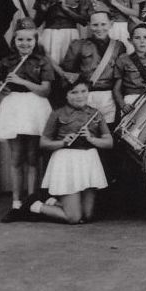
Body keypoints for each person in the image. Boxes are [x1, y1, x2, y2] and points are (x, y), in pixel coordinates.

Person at [0, 17, 54, 222]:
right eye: (20, 40)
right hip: (15, 108)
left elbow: (45, 91)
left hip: (36, 107)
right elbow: (2, 89)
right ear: (14, 41)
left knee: (33, 158)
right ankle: (16, 204)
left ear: (35, 41)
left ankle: (32, 204)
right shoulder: (7, 61)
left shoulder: (43, 61)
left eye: (29, 40)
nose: (24, 44)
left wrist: (22, 81)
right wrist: (3, 91)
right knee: (17, 159)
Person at [30, 78, 112, 224]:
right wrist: (63, 142)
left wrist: (92, 139)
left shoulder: (95, 113)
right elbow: (43, 143)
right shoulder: (57, 113)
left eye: (83, 91)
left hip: (89, 161)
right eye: (74, 92)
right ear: (66, 95)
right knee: (74, 218)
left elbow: (109, 142)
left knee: (87, 216)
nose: (80, 96)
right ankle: (37, 206)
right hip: (66, 162)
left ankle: (54, 202)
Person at [57, 8, 123, 125]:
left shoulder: (119, 46)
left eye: (103, 24)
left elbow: (122, 75)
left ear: (111, 24)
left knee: (108, 132)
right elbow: (66, 75)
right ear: (88, 25)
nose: (99, 28)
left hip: (110, 97)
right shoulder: (78, 45)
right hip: (86, 96)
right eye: (95, 25)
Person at [112, 23, 146, 113]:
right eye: (137, 38)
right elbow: (116, 89)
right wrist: (123, 105)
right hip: (131, 101)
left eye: (145, 37)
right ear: (130, 40)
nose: (142, 41)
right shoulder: (123, 59)